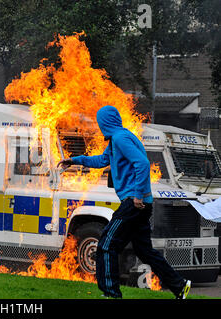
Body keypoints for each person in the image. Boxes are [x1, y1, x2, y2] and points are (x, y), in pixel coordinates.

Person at [58, 105, 191, 299]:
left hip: (133, 203)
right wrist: (75, 160)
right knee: (144, 251)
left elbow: (143, 164)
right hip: (141, 204)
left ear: (105, 121)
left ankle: (111, 293)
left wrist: (138, 194)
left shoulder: (120, 138)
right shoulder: (117, 140)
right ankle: (179, 285)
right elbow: (102, 160)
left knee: (106, 244)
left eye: (99, 121)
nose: (99, 125)